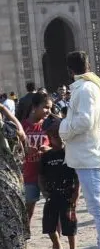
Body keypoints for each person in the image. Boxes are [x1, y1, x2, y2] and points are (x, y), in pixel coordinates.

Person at [59, 51, 100, 249]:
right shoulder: (93, 86)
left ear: (70, 70)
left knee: (98, 207)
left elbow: (84, 121)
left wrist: (62, 127)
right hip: (87, 152)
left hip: (88, 153)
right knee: (96, 206)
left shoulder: (85, 89)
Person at [38, 121, 80, 249]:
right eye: (55, 136)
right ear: (49, 137)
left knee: (69, 224)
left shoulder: (69, 153)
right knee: (49, 226)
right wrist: (44, 191)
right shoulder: (46, 156)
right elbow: (41, 176)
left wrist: (76, 193)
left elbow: (77, 175)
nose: (59, 139)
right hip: (52, 195)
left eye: (61, 136)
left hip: (67, 194)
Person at [0, 103, 32, 249]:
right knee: (13, 231)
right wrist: (6, 112)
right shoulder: (8, 131)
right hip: (7, 185)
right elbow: (22, 134)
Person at [22, 91, 53, 224]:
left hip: (48, 174)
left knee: (53, 208)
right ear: (34, 107)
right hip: (29, 175)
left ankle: (56, 244)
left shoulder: (51, 125)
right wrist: (25, 149)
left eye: (50, 108)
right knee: (28, 211)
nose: (48, 111)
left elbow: (60, 146)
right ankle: (23, 240)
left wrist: (49, 149)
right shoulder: (22, 126)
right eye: (45, 107)